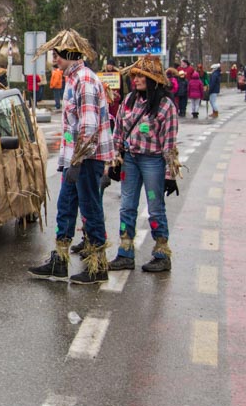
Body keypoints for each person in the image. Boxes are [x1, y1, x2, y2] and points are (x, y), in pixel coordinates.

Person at [28, 29, 115, 284]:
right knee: (65, 207)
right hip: (74, 159)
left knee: (90, 208)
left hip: (86, 159)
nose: (54, 58)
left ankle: (97, 265)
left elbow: (88, 127)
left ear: (70, 54)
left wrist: (77, 161)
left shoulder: (84, 81)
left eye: (57, 54)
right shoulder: (72, 79)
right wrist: (69, 161)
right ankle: (60, 260)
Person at [108, 56, 180, 273]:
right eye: (135, 76)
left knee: (155, 207)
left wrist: (170, 175)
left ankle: (161, 254)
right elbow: (118, 131)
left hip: (153, 162)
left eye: (141, 76)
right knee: (127, 206)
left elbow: (169, 143)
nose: (136, 79)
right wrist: (116, 159)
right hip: (130, 160)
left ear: (153, 79)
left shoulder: (165, 106)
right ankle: (125, 253)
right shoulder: (129, 100)